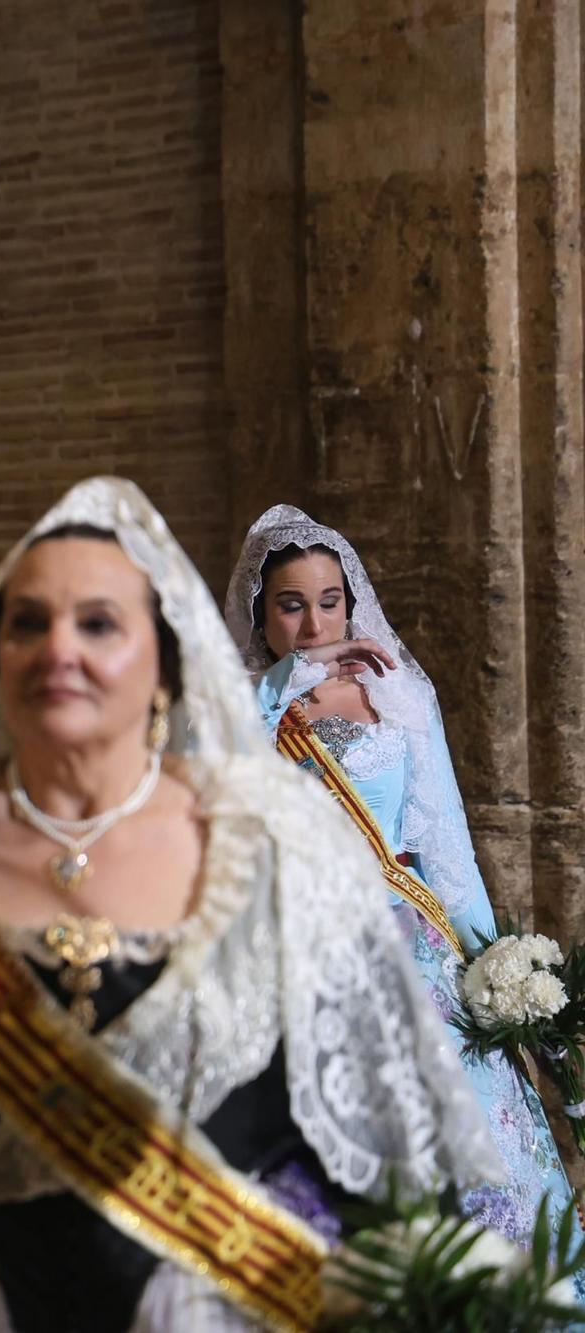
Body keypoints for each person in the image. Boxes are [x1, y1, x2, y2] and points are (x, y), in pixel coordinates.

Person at [0, 478, 503, 1331]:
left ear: (166, 662)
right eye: (29, 621)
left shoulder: (273, 848)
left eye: (99, 622)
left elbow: (381, 1162)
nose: (60, 647)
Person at [224, 504, 573, 1249]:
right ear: (260, 615)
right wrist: (305, 697)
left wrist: (499, 976)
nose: (315, 626)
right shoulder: (236, 712)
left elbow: (446, 847)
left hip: (410, 947)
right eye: (291, 606)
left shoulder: (401, 699)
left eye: (330, 602)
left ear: (352, 604)